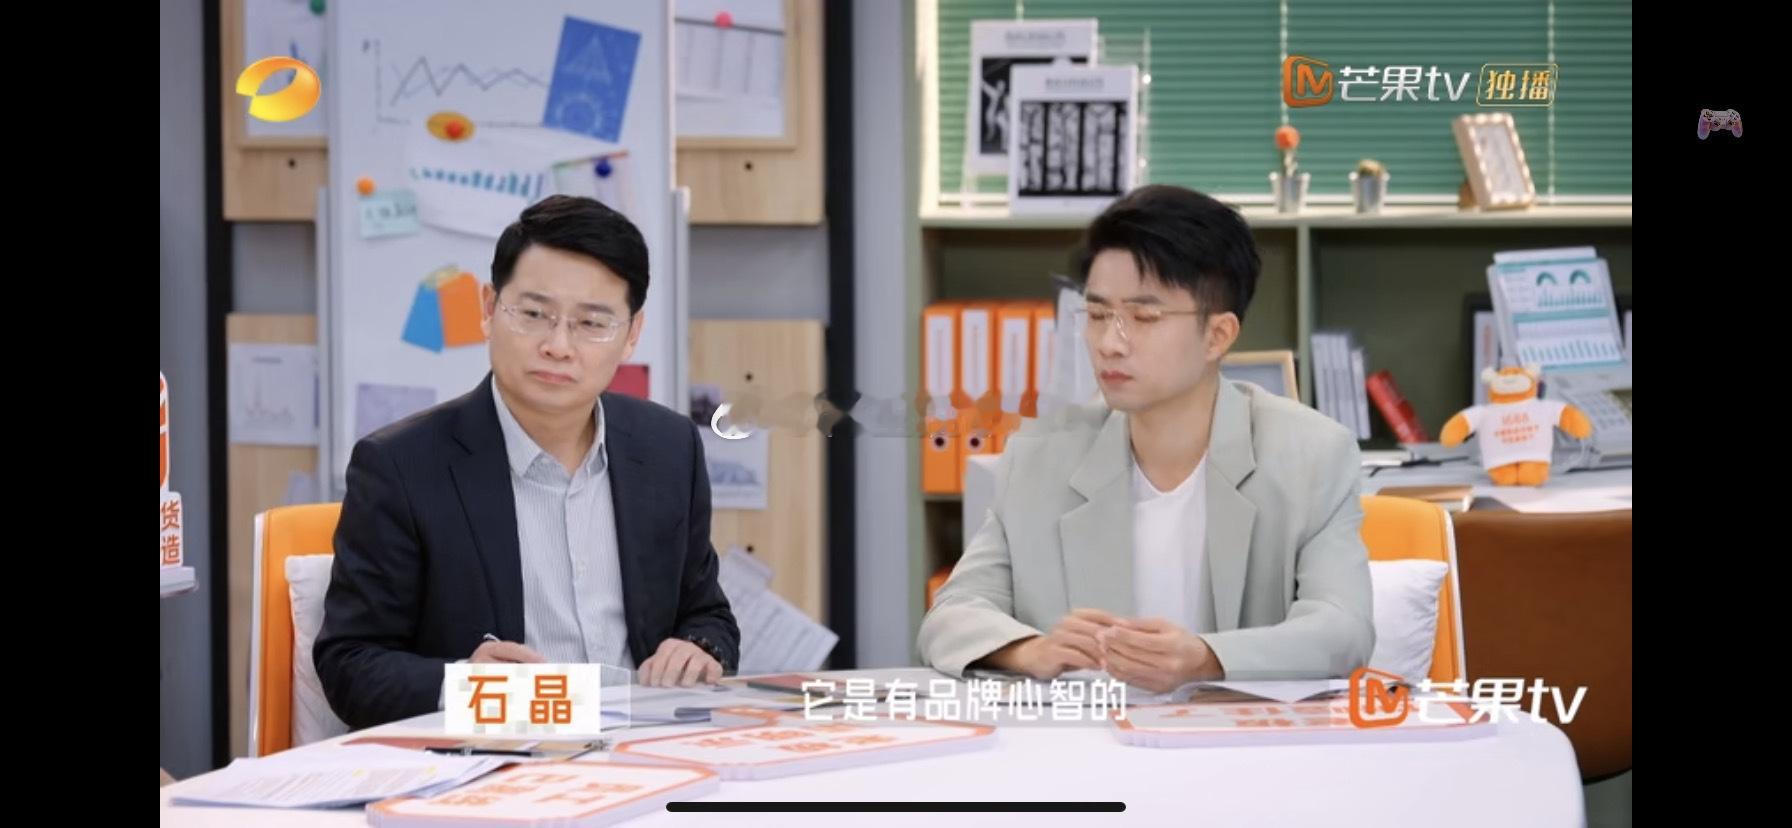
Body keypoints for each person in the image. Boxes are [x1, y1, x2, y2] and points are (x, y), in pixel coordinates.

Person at [918, 185, 1374, 692]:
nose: (1110, 344)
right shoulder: (1043, 455)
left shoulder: (1312, 455)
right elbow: (951, 615)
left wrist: (1207, 658)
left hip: (1238, 734)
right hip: (1086, 735)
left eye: (1144, 317)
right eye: (1097, 316)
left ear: (1218, 335)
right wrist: (1029, 649)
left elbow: (1344, 630)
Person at [317, 195, 740, 729]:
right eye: (535, 314)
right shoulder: (399, 466)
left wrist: (699, 646)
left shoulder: (668, 448)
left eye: (592, 323)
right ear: (489, 308)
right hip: (500, 753)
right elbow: (350, 663)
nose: (558, 346)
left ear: (631, 334)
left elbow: (707, 613)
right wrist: (467, 684)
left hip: (647, 744)